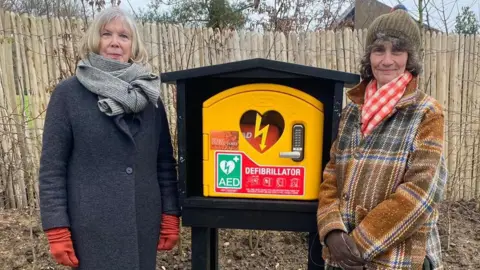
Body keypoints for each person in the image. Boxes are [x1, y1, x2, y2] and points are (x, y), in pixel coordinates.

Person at [38, 7, 181, 270]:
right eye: (107, 34)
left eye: (124, 36)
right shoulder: (68, 95)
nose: (115, 42)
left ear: (133, 44)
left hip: (142, 222)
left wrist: (170, 213)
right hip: (90, 227)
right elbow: (52, 169)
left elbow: (163, 163)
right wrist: (56, 227)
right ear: (96, 40)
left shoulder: (149, 98)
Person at [316, 5, 447, 270]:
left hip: (396, 260)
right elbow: (332, 173)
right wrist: (331, 231)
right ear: (369, 56)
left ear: (409, 58)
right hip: (344, 257)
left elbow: (420, 193)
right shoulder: (354, 108)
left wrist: (357, 245)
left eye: (396, 50)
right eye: (379, 50)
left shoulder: (426, 112)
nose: (387, 60)